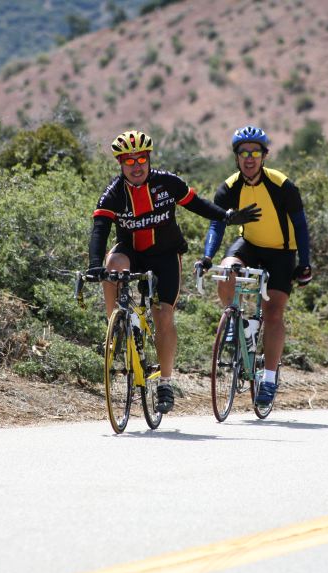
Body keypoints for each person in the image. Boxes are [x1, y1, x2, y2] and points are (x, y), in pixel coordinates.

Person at [87, 130, 261, 413]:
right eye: (129, 161)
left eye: (141, 158)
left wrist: (225, 216)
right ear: (120, 164)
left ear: (149, 158)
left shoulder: (167, 183)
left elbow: (197, 204)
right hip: (131, 252)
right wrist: (94, 264)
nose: (136, 165)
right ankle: (115, 328)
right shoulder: (114, 194)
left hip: (165, 255)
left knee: (163, 316)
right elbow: (99, 232)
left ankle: (165, 381)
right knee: (111, 266)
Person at [197, 126, 312, 409]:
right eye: (244, 153)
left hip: (282, 253)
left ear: (264, 156)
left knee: (273, 313)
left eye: (255, 152)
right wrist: (207, 257)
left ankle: (269, 378)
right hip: (249, 244)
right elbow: (216, 224)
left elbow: (300, 225)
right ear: (236, 157)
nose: (249, 158)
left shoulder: (282, 185)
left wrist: (305, 263)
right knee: (227, 269)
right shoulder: (229, 187)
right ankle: (234, 319)